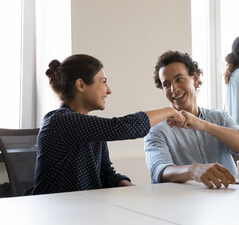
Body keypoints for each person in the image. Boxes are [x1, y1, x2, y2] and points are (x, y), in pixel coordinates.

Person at [28, 54, 185, 195]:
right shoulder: (60, 121)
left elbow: (106, 176)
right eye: (103, 82)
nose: (108, 90)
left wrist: (141, 193)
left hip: (85, 209)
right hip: (55, 213)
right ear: (81, 85)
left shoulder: (89, 126)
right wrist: (169, 111)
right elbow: (126, 127)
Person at [144, 50, 239, 189]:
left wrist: (203, 125)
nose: (173, 89)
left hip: (231, 199)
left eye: (179, 79)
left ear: (195, 78)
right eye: (166, 84)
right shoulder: (156, 130)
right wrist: (193, 170)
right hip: (187, 204)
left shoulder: (220, 117)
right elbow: (159, 171)